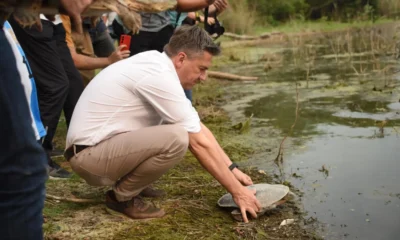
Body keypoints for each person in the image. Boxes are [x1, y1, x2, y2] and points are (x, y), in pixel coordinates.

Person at [64, 25, 261, 222]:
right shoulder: (157, 75)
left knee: (179, 129)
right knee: (176, 138)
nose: (204, 78)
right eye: (201, 69)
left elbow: (198, 127)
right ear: (181, 58)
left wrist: (233, 169)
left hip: (96, 150)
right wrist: (239, 193)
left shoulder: (157, 65)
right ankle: (122, 197)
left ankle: (133, 184)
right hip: (88, 157)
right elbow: (197, 142)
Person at [0, 0, 94, 238]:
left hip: (39, 19)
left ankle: (48, 149)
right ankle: (40, 150)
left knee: (66, 85)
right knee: (54, 86)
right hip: (30, 17)